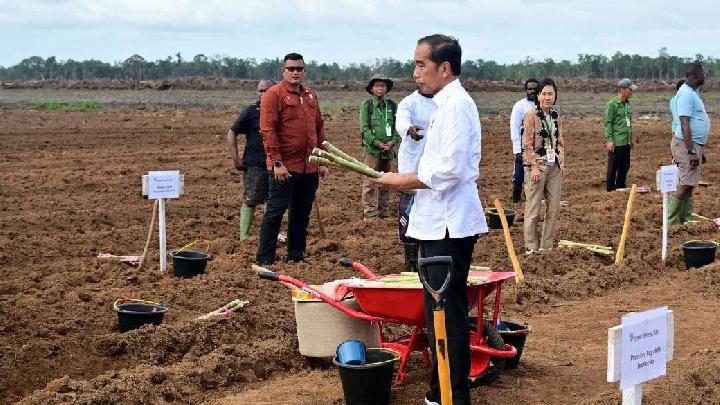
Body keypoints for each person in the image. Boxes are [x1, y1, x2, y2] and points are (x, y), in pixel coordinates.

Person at [374, 34, 487, 405]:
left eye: (421, 65)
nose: (415, 73)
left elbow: (448, 171)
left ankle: (452, 395)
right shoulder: (444, 104)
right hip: (438, 220)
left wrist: (397, 181)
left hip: (447, 224)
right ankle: (442, 391)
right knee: (439, 310)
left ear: (445, 68)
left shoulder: (455, 106)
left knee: (445, 311)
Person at [256, 53, 329, 266]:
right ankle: (265, 259)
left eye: (299, 68)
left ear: (304, 71)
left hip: (309, 166)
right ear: (284, 71)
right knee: (276, 212)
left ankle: (296, 256)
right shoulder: (273, 94)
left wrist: (322, 161)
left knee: (301, 213)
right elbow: (267, 130)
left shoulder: (310, 95)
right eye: (291, 69)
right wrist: (277, 163)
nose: (295, 72)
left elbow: (319, 128)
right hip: (284, 166)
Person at [227, 79, 274, 240]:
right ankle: (244, 237)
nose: (263, 94)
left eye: (267, 90)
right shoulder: (251, 111)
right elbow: (232, 132)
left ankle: (268, 236)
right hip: (255, 165)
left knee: (273, 202)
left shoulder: (282, 110)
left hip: (277, 164)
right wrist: (236, 158)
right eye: (260, 91)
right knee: (250, 200)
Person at [395, 87, 436, 272]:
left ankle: (429, 262)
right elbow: (401, 121)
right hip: (411, 168)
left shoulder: (443, 102)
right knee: (408, 214)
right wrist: (408, 129)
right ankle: (411, 264)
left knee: (430, 214)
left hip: (434, 168)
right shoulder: (409, 102)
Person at [523, 78, 565, 254]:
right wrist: (532, 166)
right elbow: (527, 143)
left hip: (553, 166)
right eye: (544, 93)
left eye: (550, 94)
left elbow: (560, 141)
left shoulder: (556, 116)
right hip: (537, 167)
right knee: (533, 208)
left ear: (555, 96)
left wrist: (561, 163)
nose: (547, 97)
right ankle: (531, 247)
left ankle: (546, 246)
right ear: (538, 95)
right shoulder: (531, 115)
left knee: (554, 207)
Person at [669, 62, 710, 225]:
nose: (705, 76)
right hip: (685, 145)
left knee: (689, 184)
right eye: (703, 74)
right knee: (685, 184)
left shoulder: (693, 93)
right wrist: (691, 151)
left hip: (693, 145)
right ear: (696, 75)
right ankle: (669, 222)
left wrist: (698, 149)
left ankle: (686, 217)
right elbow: (684, 122)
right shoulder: (685, 94)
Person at [360, 74, 400, 219]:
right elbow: (364, 129)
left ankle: (384, 212)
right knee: (370, 182)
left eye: (383, 86)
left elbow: (398, 128)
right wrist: (378, 143)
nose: (380, 88)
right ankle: (370, 214)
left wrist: (392, 142)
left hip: (388, 152)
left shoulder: (392, 106)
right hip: (372, 151)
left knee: (386, 182)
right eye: (377, 86)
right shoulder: (367, 106)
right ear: (371, 89)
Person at [604, 78, 638, 192]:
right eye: (630, 89)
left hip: (626, 141)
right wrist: (609, 140)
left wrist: (630, 139)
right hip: (616, 142)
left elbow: (628, 123)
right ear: (623, 90)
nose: (632, 92)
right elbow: (608, 123)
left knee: (625, 166)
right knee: (613, 167)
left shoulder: (627, 104)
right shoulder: (612, 104)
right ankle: (610, 189)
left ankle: (620, 187)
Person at [509, 78, 539, 202]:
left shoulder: (542, 105)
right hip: (523, 145)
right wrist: (517, 150)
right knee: (519, 174)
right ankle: (516, 198)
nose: (532, 91)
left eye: (534, 89)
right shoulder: (520, 106)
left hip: (538, 145)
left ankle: (533, 197)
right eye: (529, 89)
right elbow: (514, 127)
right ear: (526, 90)